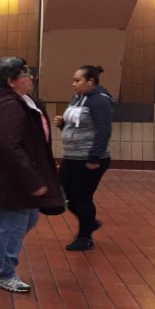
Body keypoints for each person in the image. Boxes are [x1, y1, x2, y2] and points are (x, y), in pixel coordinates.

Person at [0, 57, 62, 293]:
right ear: (11, 81)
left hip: (17, 177)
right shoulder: (10, 106)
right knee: (15, 225)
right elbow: (11, 146)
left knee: (28, 218)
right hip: (12, 179)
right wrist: (32, 179)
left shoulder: (22, 101)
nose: (31, 77)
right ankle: (2, 274)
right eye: (25, 74)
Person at [53, 65, 112, 251]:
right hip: (72, 157)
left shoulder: (99, 101)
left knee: (82, 197)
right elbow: (78, 127)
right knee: (63, 193)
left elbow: (104, 129)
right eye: (73, 80)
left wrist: (94, 158)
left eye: (77, 80)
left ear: (90, 82)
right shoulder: (77, 99)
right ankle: (89, 222)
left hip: (90, 158)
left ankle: (85, 237)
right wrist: (62, 125)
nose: (73, 84)